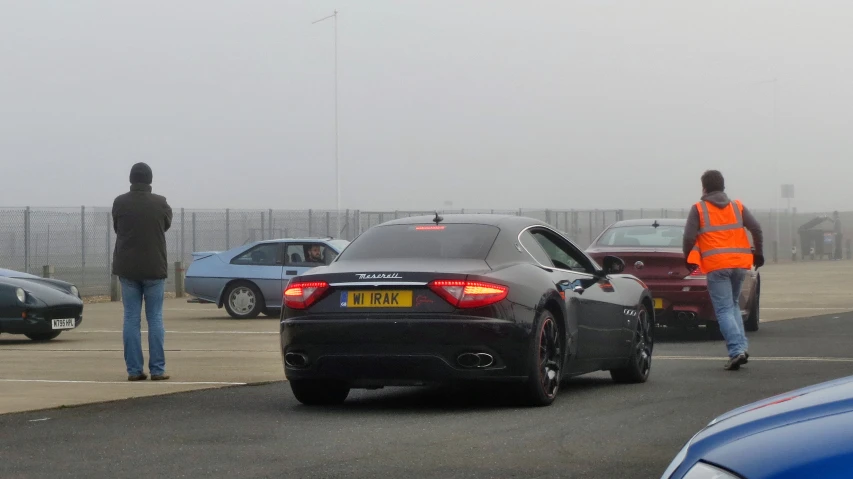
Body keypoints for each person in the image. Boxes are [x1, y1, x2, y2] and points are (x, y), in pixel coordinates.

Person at [683, 170, 764, 371]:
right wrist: (759, 253)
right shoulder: (737, 207)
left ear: (704, 187)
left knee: (724, 309)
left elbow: (688, 238)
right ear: (723, 186)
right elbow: (756, 228)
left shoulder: (699, 209)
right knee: (733, 305)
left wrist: (688, 259)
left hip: (717, 266)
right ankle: (741, 348)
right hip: (739, 265)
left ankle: (736, 350)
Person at [112, 163, 173, 381]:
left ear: (131, 179)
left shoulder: (120, 202)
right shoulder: (161, 203)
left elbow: (117, 228)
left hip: (127, 268)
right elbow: (165, 225)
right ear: (150, 180)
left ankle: (134, 370)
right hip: (154, 268)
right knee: (155, 318)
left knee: (130, 318)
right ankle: (157, 369)